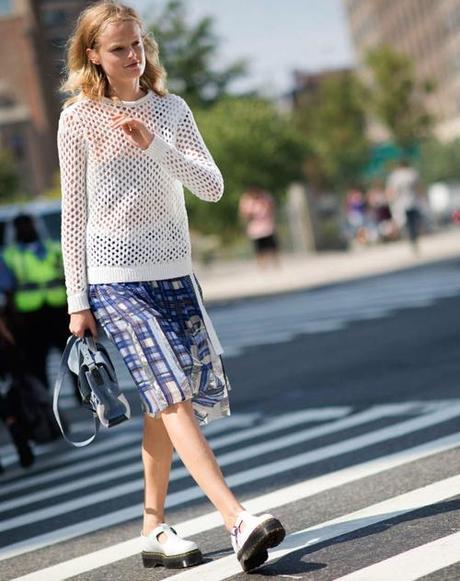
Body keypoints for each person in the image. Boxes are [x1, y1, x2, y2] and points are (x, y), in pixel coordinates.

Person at [57, 1, 285, 572]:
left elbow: (211, 186)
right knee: (170, 393)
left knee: (165, 400)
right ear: (94, 57)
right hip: (115, 281)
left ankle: (152, 526)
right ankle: (236, 519)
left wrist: (153, 144)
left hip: (175, 274)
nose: (133, 56)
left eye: (137, 44)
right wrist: (76, 302)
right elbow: (72, 216)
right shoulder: (77, 119)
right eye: (118, 49)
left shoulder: (172, 109)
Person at [386, 158, 424, 252]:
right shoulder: (412, 173)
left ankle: (411, 240)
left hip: (401, 204)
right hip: (413, 202)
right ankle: (414, 240)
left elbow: (391, 190)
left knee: (406, 224)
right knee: (413, 224)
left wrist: (390, 201)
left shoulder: (395, 176)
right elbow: (418, 187)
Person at [239, 185, 279, 268]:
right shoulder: (247, 200)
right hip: (255, 229)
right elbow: (244, 214)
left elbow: (272, 208)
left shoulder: (265, 197)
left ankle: (275, 264)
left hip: (267, 227)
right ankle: (262, 266)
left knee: (272, 247)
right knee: (259, 249)